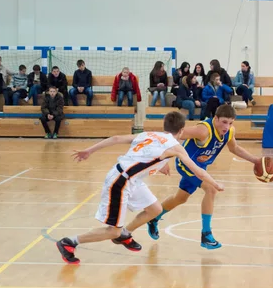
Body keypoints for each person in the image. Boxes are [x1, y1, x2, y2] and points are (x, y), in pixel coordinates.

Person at [56, 111, 223, 265]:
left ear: (164, 126)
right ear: (181, 131)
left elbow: (116, 138)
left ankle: (125, 234)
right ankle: (70, 241)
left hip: (131, 178)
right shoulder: (176, 147)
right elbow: (199, 172)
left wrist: (89, 151)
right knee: (113, 231)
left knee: (155, 209)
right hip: (120, 182)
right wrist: (215, 184)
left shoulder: (150, 134)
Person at [147, 104, 260, 250]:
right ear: (216, 118)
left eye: (231, 123)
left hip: (200, 167)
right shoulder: (203, 130)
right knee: (211, 189)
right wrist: (161, 160)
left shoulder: (229, 132)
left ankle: (153, 217)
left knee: (180, 198)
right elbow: (172, 135)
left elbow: (234, 148)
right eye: (224, 122)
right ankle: (206, 235)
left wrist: (255, 160)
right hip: (186, 164)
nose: (227, 126)